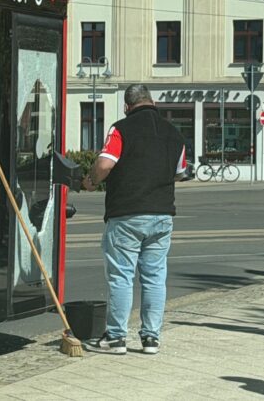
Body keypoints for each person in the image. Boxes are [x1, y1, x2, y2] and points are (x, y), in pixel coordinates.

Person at [82, 84, 186, 355]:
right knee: (155, 277)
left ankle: (116, 338)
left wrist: (91, 181)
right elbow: (180, 172)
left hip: (127, 213)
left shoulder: (121, 129)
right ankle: (151, 338)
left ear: (127, 107)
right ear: (153, 102)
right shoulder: (174, 133)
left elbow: (105, 164)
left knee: (121, 277)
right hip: (162, 214)